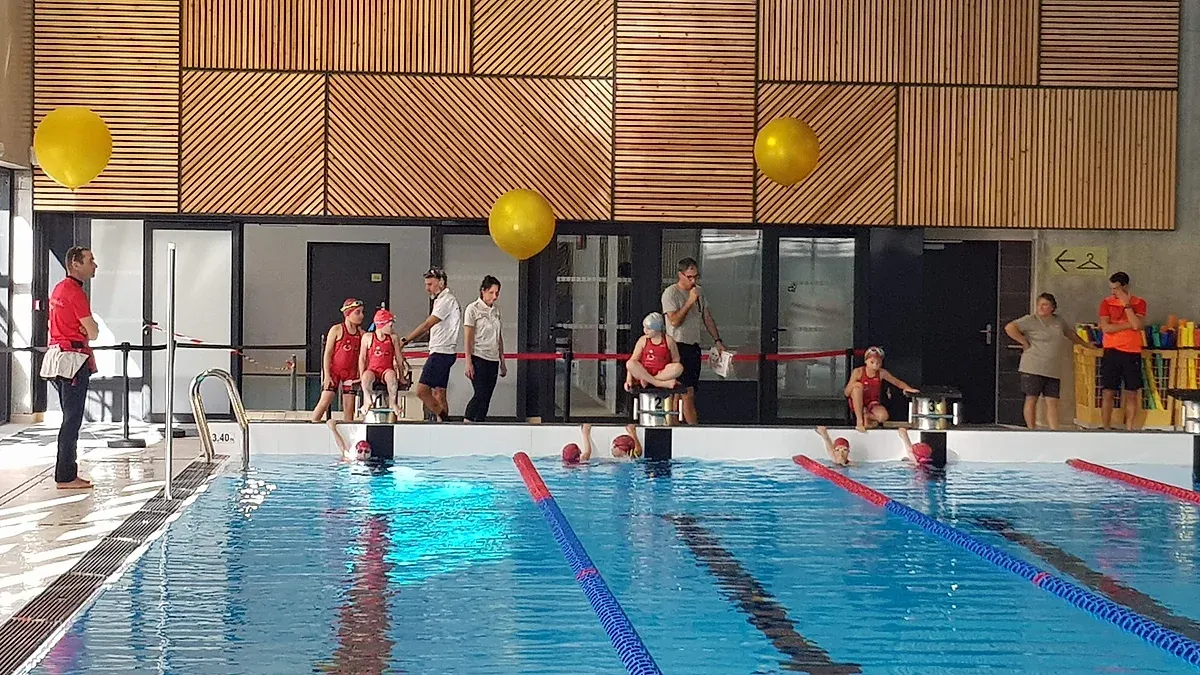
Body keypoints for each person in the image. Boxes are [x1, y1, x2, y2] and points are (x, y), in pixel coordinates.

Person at [43, 246, 98, 490]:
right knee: (72, 420)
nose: (94, 265)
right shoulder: (75, 293)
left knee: (69, 417)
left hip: (58, 357)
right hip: (74, 359)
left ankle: (65, 472)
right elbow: (94, 332)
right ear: (75, 264)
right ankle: (65, 475)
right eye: (90, 260)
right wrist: (88, 329)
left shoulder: (58, 289)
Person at [1004, 293, 1092, 430]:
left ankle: (1054, 430)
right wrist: (1023, 342)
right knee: (1032, 398)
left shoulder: (1058, 321)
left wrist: (1086, 344)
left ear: (1052, 308)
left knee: (1052, 401)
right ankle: (1031, 429)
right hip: (1034, 365)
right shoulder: (1030, 320)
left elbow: (1069, 333)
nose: (1041, 307)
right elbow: (1009, 327)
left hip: (1053, 368)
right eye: (1039, 304)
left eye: (1045, 305)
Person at [661, 257, 725, 425]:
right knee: (682, 391)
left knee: (688, 391)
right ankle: (689, 428)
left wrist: (717, 340)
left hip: (692, 347)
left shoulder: (699, 292)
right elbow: (674, 321)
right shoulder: (671, 293)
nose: (693, 280)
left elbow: (707, 317)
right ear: (680, 275)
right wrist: (689, 301)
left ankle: (679, 425)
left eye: (695, 276)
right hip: (677, 347)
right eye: (689, 277)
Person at [398, 267, 461, 423]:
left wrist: (405, 340)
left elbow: (427, 325)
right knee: (440, 392)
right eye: (426, 284)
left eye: (430, 284)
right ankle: (443, 424)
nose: (427, 288)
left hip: (440, 352)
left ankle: (445, 420)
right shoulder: (443, 300)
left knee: (421, 391)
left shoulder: (446, 301)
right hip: (446, 352)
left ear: (441, 283)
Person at [1098, 271, 1147, 431]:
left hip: (1132, 351)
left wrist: (1126, 305)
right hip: (1112, 350)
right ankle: (1106, 427)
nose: (1113, 292)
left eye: (1117, 288)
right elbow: (1106, 327)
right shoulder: (1106, 302)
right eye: (1112, 289)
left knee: (1131, 392)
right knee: (1108, 391)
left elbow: (1138, 325)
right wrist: (1127, 325)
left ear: (1125, 286)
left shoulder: (1139, 302)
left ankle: (1130, 428)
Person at [311, 299, 365, 423]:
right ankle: (312, 426)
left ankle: (348, 436)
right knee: (325, 401)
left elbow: (364, 357)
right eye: (357, 312)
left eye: (362, 312)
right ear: (348, 314)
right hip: (334, 371)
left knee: (349, 408)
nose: (361, 316)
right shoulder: (336, 330)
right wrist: (327, 375)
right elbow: (328, 354)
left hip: (350, 373)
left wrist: (361, 375)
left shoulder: (362, 334)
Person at [463, 275, 507, 422]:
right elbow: (468, 336)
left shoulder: (496, 311)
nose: (494, 297)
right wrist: (468, 361)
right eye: (491, 293)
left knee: (487, 395)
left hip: (493, 358)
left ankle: (480, 422)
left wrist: (502, 359)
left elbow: (498, 336)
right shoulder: (473, 309)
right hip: (478, 356)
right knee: (480, 393)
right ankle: (467, 420)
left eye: (497, 293)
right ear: (483, 291)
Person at [845, 346, 918, 432]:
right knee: (857, 388)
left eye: (878, 363)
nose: (875, 365)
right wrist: (856, 385)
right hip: (858, 402)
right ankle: (860, 421)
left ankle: (868, 417)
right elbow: (847, 392)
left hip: (872, 403)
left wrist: (908, 388)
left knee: (883, 416)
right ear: (866, 361)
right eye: (872, 362)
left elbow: (897, 382)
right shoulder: (858, 372)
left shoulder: (881, 373)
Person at [358, 309, 408, 418]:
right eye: (390, 326)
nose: (392, 328)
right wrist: (361, 376)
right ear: (381, 325)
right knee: (366, 377)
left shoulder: (393, 338)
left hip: (387, 370)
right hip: (372, 370)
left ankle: (393, 402)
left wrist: (402, 377)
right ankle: (367, 400)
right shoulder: (367, 337)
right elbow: (362, 358)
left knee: (391, 377)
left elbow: (399, 359)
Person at [624, 312, 685, 392]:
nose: (645, 331)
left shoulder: (669, 341)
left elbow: (676, 359)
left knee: (678, 367)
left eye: (649, 329)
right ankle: (658, 383)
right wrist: (628, 380)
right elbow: (633, 360)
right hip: (644, 372)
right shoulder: (643, 340)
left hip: (660, 374)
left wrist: (671, 374)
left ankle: (650, 380)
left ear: (657, 329)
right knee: (630, 363)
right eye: (644, 328)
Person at [562, 423, 643, 465]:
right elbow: (638, 451)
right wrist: (632, 432)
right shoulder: (630, 459)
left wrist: (585, 433)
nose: (612, 448)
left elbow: (587, 454)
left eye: (614, 446)